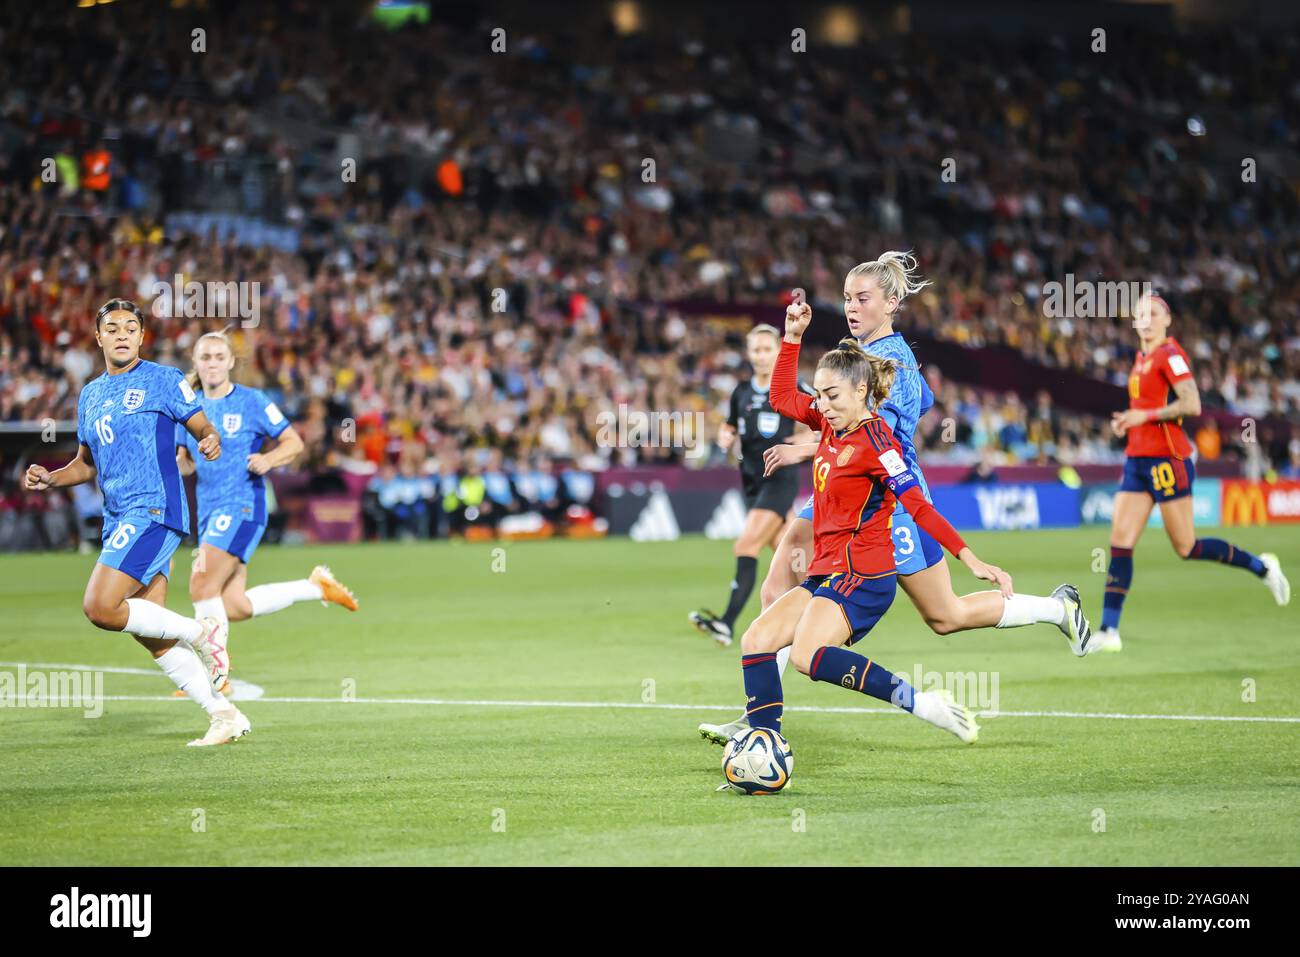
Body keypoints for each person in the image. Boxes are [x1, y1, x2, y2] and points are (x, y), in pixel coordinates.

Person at [700, 254, 1089, 745]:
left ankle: (1057, 610)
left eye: (862, 299)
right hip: (836, 491)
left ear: (892, 303)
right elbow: (905, 404)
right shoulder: (859, 352)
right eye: (846, 298)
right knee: (777, 589)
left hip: (887, 501)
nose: (851, 307)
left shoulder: (896, 363)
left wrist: (805, 446)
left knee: (945, 616)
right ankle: (760, 718)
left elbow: (881, 438)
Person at [718, 304, 1015, 774]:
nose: (823, 406)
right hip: (828, 574)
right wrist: (792, 337)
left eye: (832, 396)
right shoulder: (831, 421)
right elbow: (779, 398)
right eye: (819, 396)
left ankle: (920, 703)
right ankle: (764, 746)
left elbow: (918, 506)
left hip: (864, 576)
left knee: (807, 656)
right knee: (757, 640)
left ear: (861, 391)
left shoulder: (879, 443)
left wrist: (970, 558)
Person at [23, 299, 245, 747]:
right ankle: (224, 714)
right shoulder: (90, 395)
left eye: (130, 327)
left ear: (142, 336)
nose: (122, 334)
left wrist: (210, 439)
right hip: (117, 515)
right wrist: (51, 477)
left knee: (100, 606)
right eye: (112, 327)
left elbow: (203, 426)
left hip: (154, 510)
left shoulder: (163, 380)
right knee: (152, 634)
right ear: (99, 337)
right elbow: (85, 465)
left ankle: (201, 632)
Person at [1093, 294, 1289, 652]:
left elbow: (1192, 403)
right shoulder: (1140, 359)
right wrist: (1130, 421)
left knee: (1186, 546)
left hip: (1168, 461)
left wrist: (1144, 417)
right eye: (1140, 315)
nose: (1146, 319)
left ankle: (1262, 567)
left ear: (1167, 319)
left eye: (1153, 313)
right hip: (1137, 460)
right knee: (1120, 542)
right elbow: (1147, 409)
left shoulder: (1170, 355)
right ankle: (1109, 630)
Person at [176, 330, 357, 693]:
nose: (211, 363)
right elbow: (184, 461)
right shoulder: (189, 408)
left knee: (200, 581)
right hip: (209, 510)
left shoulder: (251, 401)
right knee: (234, 605)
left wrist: (268, 458)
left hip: (243, 504)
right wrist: (180, 463)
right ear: (196, 364)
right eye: (205, 357)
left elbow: (294, 441)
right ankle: (315, 587)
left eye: (218, 356)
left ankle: (212, 674)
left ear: (230, 362)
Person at [689, 324, 812, 646]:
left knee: (745, 546)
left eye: (766, 349)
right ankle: (823, 610)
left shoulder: (792, 388)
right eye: (755, 350)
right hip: (753, 482)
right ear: (748, 353)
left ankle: (726, 624)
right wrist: (725, 435)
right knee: (791, 553)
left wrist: (799, 439)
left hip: (780, 479)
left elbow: (820, 426)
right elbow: (730, 427)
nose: (760, 356)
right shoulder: (741, 391)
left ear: (778, 352)